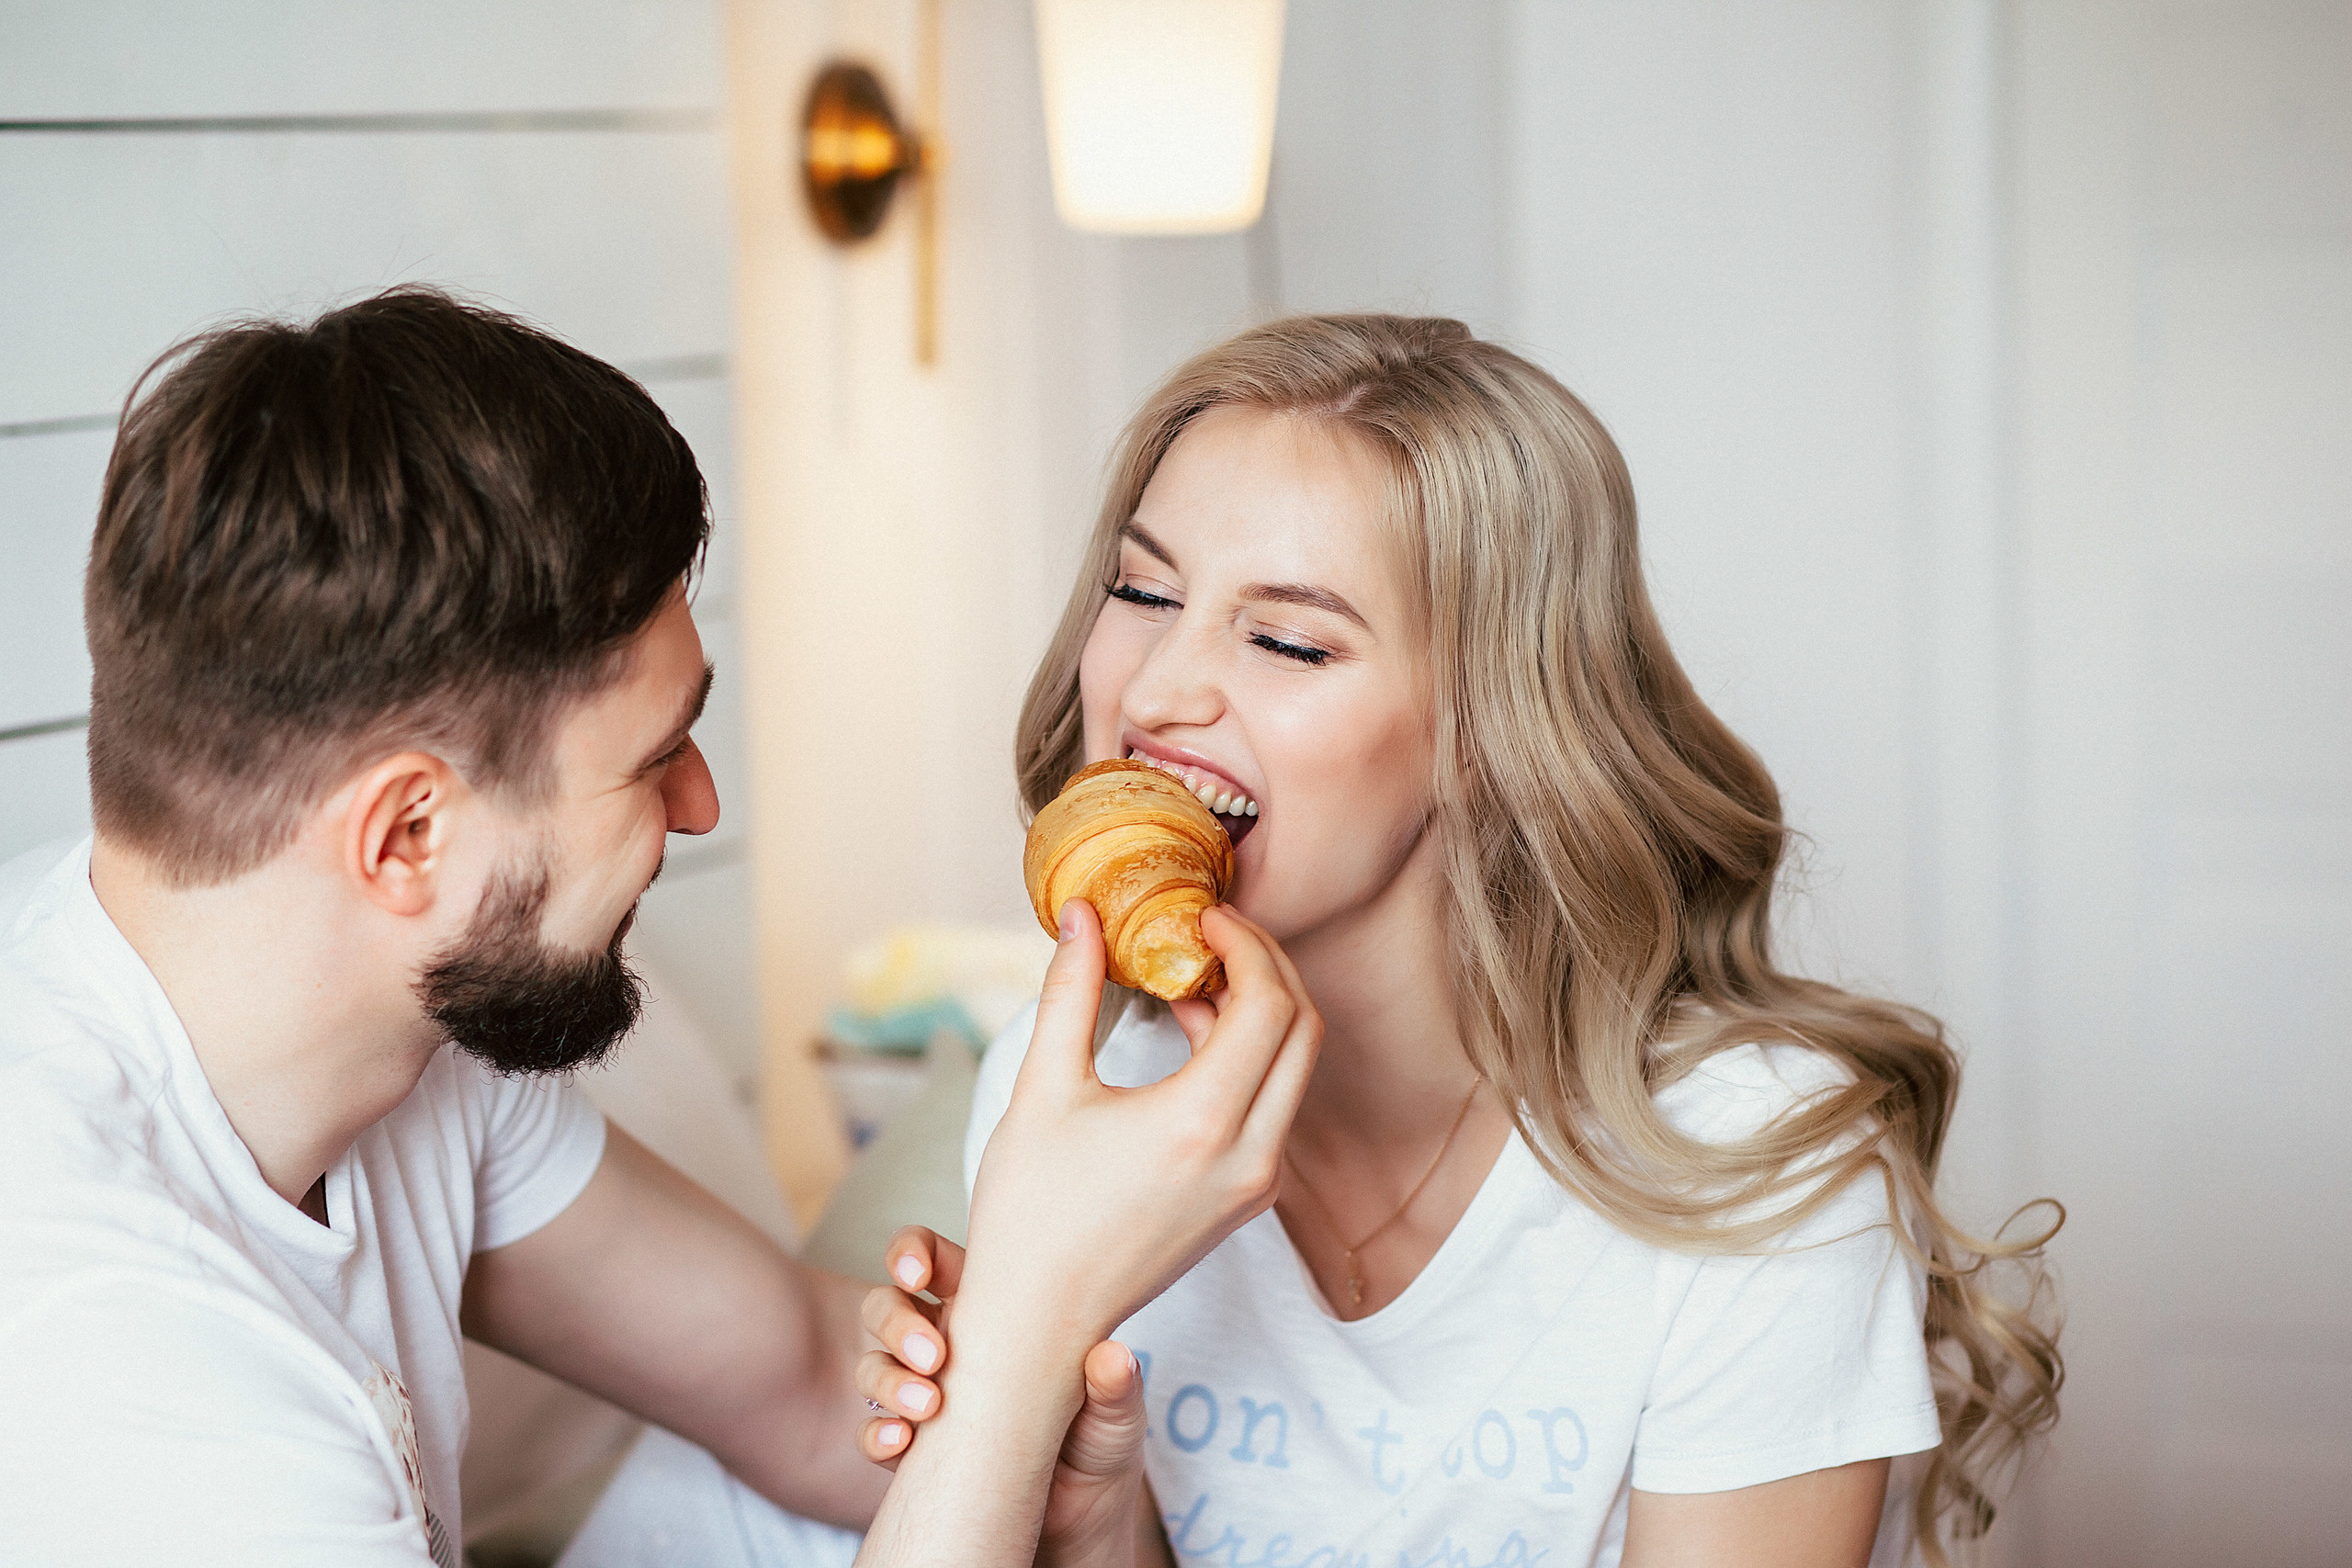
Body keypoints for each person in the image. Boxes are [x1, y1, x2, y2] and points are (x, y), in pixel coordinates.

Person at [0, 287, 1317, 1568]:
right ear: (406, 836)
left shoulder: (397, 1035)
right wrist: (1037, 1306)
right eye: (654, 757)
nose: (701, 806)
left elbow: (809, 1392)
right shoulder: (137, 1391)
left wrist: (1026, 1387)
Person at [859, 314, 2065, 1566]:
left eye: (1286, 639)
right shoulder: (1064, 1107)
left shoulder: (1754, 1172)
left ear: (1490, 732)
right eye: (1142, 590)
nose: (1156, 687)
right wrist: (1091, 1512)